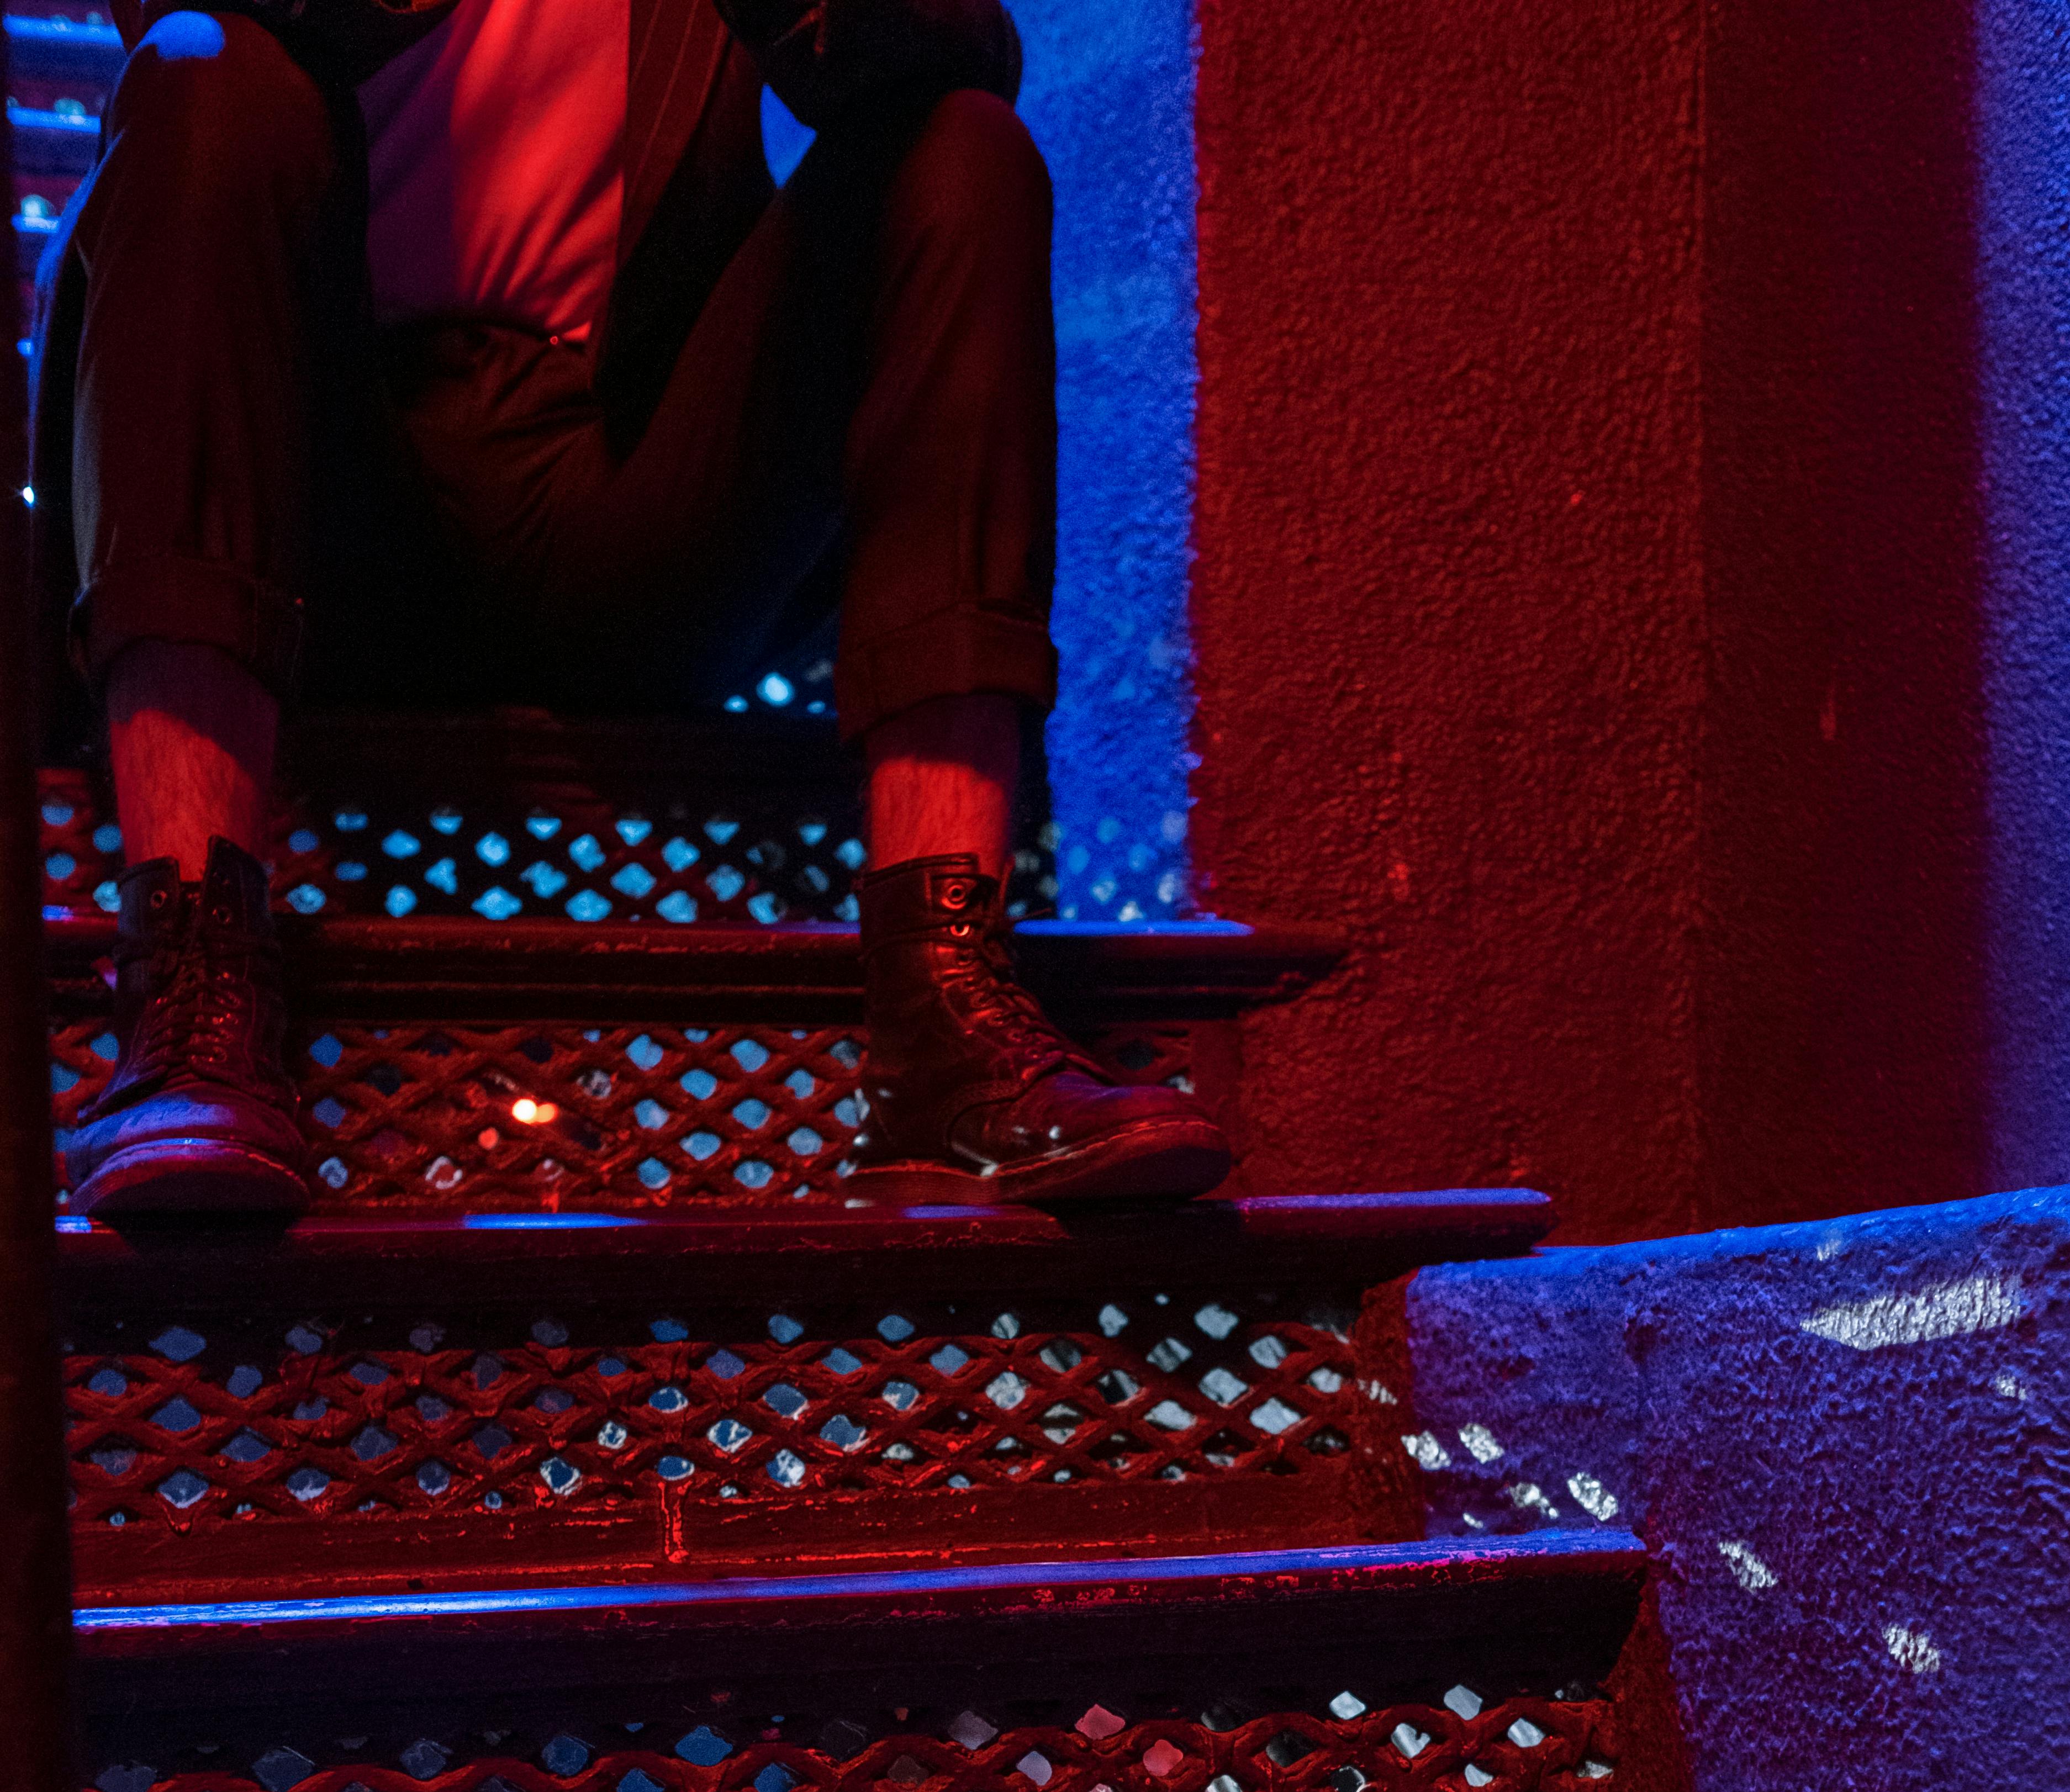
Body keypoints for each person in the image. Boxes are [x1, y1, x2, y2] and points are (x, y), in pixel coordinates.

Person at [29, 0, 1231, 1221]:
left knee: (964, 145)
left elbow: (969, 42)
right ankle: (189, 993)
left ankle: (947, 1011)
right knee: (200, 64)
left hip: (621, 501)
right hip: (322, 512)